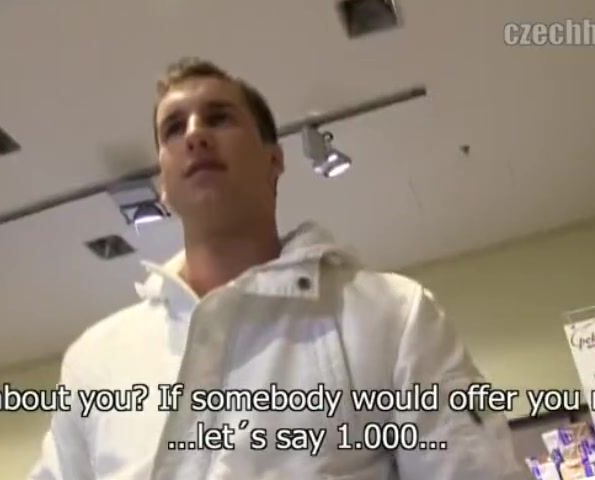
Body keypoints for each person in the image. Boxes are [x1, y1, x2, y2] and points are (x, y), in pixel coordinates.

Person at [29, 57, 526, 480]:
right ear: (163, 184)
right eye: (174, 129)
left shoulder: (393, 316)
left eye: (219, 118)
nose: (195, 134)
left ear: (274, 160)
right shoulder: (95, 363)